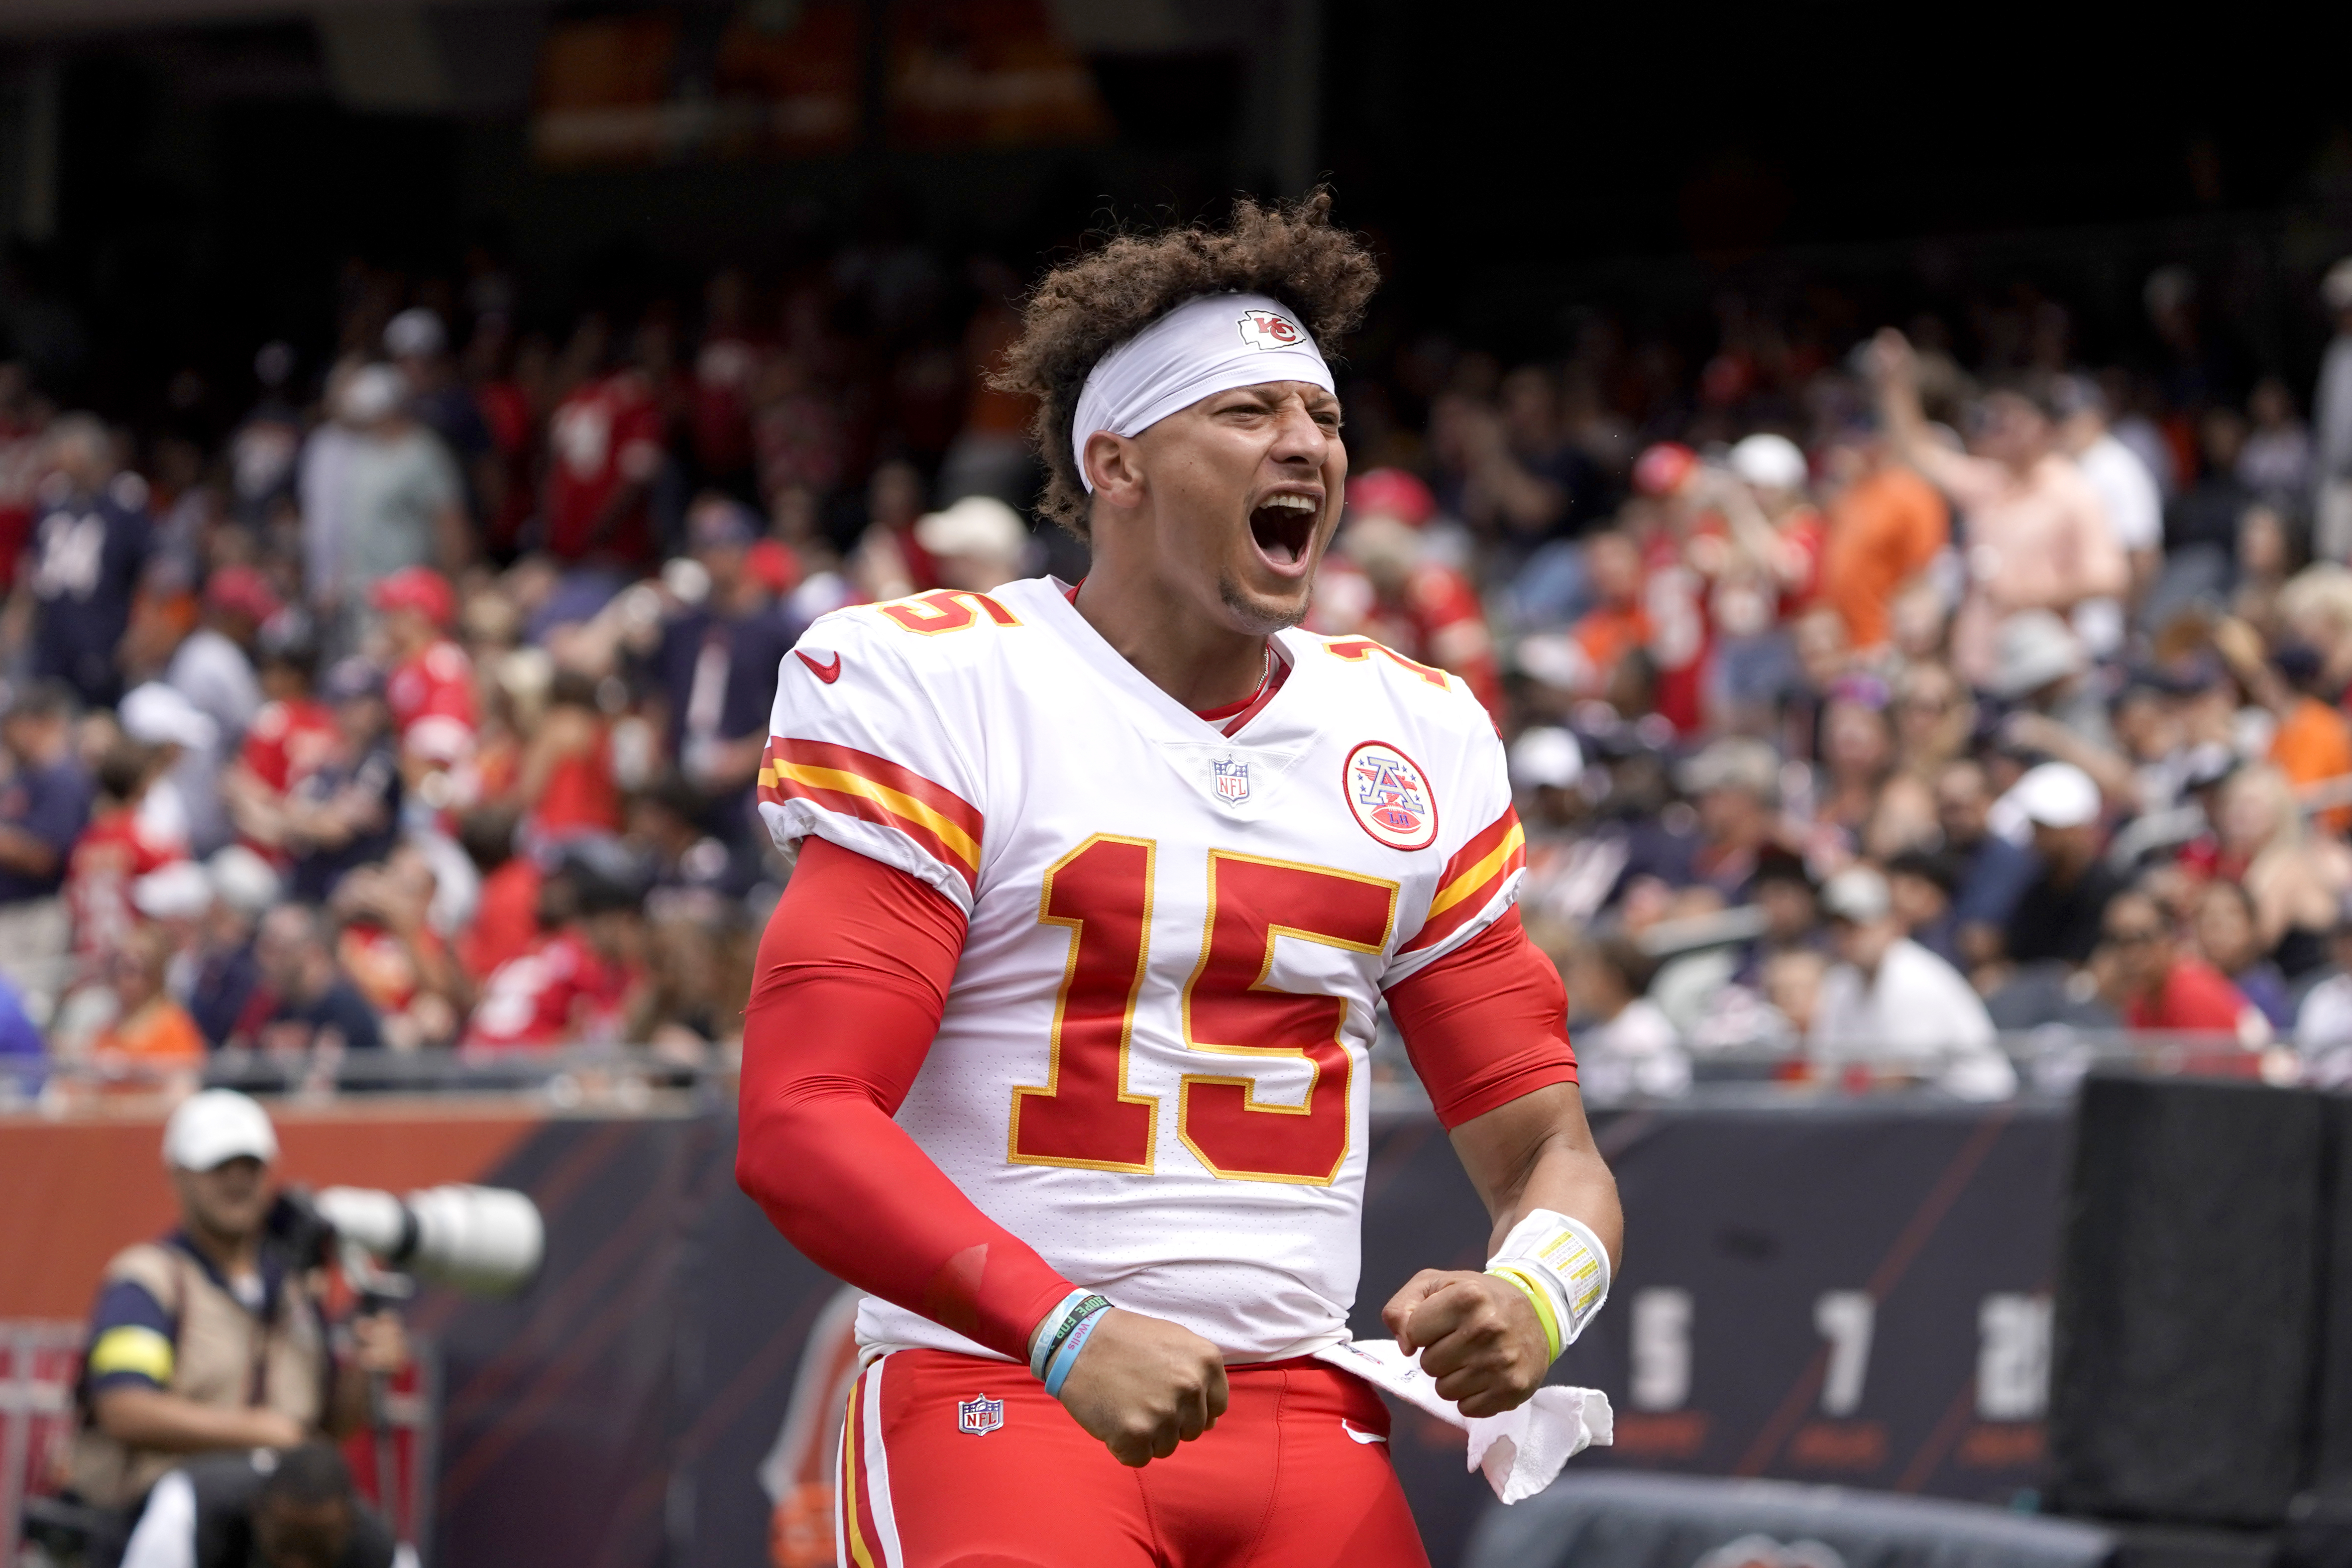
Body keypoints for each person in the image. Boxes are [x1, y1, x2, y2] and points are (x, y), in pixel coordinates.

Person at [735, 195, 1621, 1567]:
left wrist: (1532, 1295)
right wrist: (1059, 1319)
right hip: (1004, 1388)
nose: (1305, 443)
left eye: (1321, 417)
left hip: (1308, 1420)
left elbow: (1548, 1151)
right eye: (1246, 410)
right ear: (1117, 459)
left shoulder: (1411, 733)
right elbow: (798, 1116)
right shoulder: (950, 685)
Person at [66, 1093, 406, 1531]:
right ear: (178, 1176)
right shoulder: (146, 1281)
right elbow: (125, 1408)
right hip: (158, 1525)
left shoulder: (297, 1287)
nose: (237, 1181)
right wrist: (255, 1434)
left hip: (273, 1534)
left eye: (250, 1166)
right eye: (218, 1167)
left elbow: (324, 1429)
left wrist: (364, 1370)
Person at [1867, 333, 2126, 690]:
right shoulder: (1989, 482)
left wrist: (2026, 595)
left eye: (2011, 418)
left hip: (2040, 672)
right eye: (1994, 418)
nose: (1998, 428)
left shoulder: (2072, 492)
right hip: (1977, 665)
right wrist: (1895, 385)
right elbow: (1917, 453)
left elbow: (2110, 579)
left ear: (2042, 427)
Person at [1809, 866, 2016, 1100]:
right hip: (1917, 1113)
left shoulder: (1913, 975)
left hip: (1977, 1111)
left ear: (1891, 924)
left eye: (1857, 927)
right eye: (1839, 928)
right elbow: (1825, 1068)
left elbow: (1900, 1077)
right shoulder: (1841, 981)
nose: (1847, 938)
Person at [18, 413, 154, 708]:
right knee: (44, 706)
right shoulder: (53, 497)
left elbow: (147, 570)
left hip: (102, 628)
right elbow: (35, 564)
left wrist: (140, 629)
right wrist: (19, 615)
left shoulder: (125, 500)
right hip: (53, 629)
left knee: (95, 710)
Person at [121, 1443, 396, 1568]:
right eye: (285, 1544)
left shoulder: (379, 1548)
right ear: (256, 1514)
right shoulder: (191, 1509)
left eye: (318, 1550)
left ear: (350, 1526)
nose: (297, 1565)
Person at [0, 677, 96, 1014]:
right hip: (13, 916)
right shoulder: (25, 776)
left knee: (26, 1010)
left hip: (37, 917)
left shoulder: (62, 779)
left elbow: (46, 856)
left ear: (39, 724)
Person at [2002, 761, 2125, 967]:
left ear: (2075, 830)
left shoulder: (2109, 892)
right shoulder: (2035, 888)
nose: (2036, 838)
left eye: (2045, 828)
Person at [2096, 888, 2263, 1039]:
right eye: (2119, 941)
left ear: (2168, 938)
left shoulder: (2192, 993)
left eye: (2143, 939)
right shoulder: (2140, 1000)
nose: (2132, 954)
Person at [243, 902, 384, 1055]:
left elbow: (324, 1074)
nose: (262, 959)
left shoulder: (343, 1007)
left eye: (277, 949)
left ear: (312, 953)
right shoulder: (279, 1004)